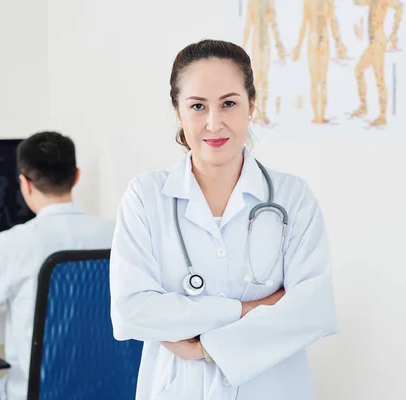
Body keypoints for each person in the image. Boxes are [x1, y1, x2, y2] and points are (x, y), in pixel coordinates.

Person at [109, 39, 337, 399]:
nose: (214, 123)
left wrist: (207, 348)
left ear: (251, 106)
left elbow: (313, 310)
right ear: (178, 111)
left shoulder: (292, 197)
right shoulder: (145, 196)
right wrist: (248, 309)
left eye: (229, 103)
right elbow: (131, 313)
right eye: (198, 106)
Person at [0, 131, 115, 400]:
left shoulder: (14, 244)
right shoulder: (118, 235)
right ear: (76, 176)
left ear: (24, 184)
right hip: (110, 390)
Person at [292, 0, 347, 124]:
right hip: (324, 39)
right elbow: (333, 23)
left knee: (314, 80)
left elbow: (304, 25)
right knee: (322, 81)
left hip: (312, 38)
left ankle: (317, 116)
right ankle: (320, 116)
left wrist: (298, 47)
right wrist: (339, 44)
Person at [351, 0, 402, 126]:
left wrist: (395, 31)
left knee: (378, 78)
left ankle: (383, 116)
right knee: (359, 71)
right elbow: (357, 2)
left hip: (378, 41)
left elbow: (399, 7)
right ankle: (364, 106)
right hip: (374, 42)